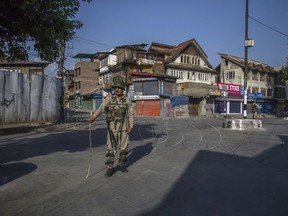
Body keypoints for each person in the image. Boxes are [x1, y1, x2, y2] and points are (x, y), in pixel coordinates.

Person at [88, 78, 134, 177]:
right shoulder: (109, 99)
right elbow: (101, 108)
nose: (117, 89)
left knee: (124, 147)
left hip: (124, 127)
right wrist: (94, 116)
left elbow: (130, 114)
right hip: (112, 128)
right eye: (115, 88)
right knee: (111, 148)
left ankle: (121, 165)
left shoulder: (127, 101)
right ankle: (110, 168)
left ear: (122, 89)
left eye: (119, 88)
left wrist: (131, 126)